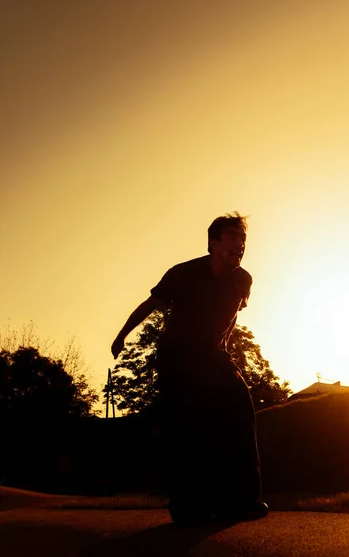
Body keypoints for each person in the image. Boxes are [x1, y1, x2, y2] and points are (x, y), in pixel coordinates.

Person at [111, 212, 268, 524]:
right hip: (178, 357)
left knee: (240, 410)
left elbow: (230, 321)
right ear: (213, 243)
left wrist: (221, 355)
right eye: (233, 237)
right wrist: (121, 335)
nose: (240, 244)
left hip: (214, 358)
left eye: (243, 239)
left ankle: (242, 500)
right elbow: (150, 305)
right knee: (186, 428)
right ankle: (187, 507)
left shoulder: (243, 280)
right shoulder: (183, 273)